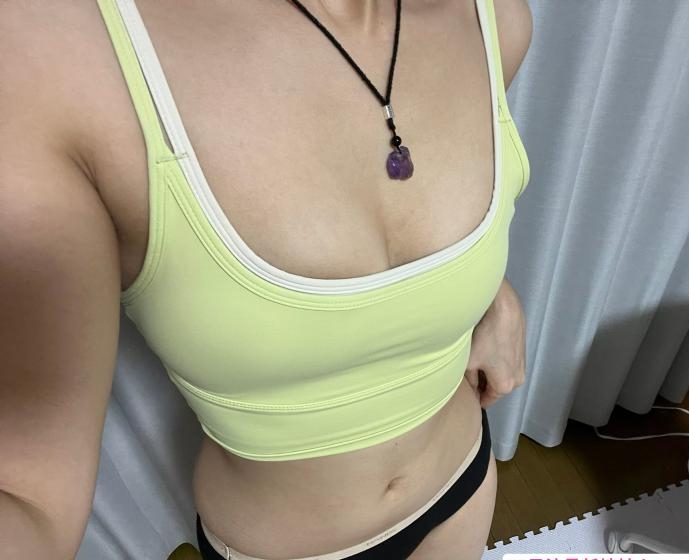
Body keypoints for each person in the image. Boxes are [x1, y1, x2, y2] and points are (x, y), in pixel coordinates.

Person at [0, 0, 532, 558]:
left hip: (462, 486)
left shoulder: (495, 18)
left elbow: (447, 225)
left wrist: (492, 294)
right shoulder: (58, 51)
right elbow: (31, 499)